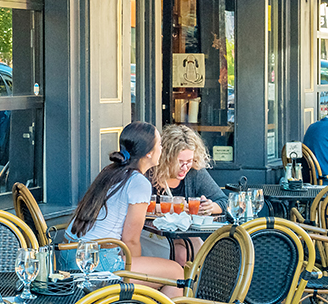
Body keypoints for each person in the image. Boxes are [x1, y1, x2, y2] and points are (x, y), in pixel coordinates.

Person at [66, 122, 185, 293]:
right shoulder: (138, 182)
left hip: (70, 256)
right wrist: (133, 281)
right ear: (149, 153)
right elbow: (130, 241)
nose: (162, 147)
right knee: (175, 272)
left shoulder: (110, 171)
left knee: (154, 266)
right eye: (159, 144)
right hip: (96, 264)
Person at [150, 125, 226, 263]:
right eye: (179, 162)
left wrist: (209, 207)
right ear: (166, 157)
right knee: (183, 253)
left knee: (196, 247)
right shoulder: (150, 174)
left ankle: (195, 283)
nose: (185, 167)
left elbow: (223, 201)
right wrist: (169, 208)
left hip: (181, 236)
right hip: (151, 235)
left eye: (189, 161)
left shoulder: (194, 173)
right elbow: (139, 209)